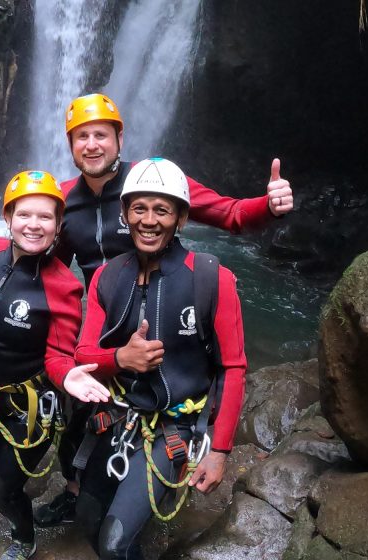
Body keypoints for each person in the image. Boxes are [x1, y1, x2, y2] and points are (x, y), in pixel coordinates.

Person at [36, 93, 292, 527]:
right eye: (82, 137)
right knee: (76, 408)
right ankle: (79, 488)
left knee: (166, 387)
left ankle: (157, 470)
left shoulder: (153, 184)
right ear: (70, 145)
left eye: (101, 134)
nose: (92, 144)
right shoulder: (64, 201)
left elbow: (227, 214)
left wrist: (267, 206)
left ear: (119, 139)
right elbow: (47, 257)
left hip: (167, 307)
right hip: (105, 310)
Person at [72, 158, 248, 559]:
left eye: (162, 210)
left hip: (175, 428)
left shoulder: (211, 279)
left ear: (182, 218)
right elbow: (84, 354)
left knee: (115, 544)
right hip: (119, 418)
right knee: (86, 518)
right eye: (139, 208)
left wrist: (219, 452)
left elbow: (233, 368)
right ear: (124, 213)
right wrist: (121, 358)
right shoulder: (107, 276)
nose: (148, 221)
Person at [0, 171, 108, 560]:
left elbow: (58, 354)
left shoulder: (64, 285)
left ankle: (24, 539)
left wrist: (68, 375)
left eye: (45, 217)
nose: (34, 225)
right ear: (7, 218)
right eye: (24, 214)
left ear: (59, 226)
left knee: (2, 487)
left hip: (26, 409)